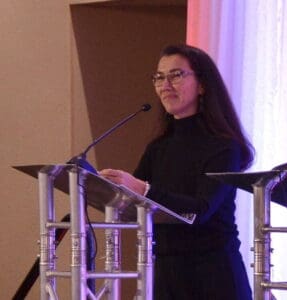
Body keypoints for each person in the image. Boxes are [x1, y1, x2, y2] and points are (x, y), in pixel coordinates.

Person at [99, 44, 253, 299]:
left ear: (202, 85)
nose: (165, 85)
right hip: (166, 274)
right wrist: (107, 188)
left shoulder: (224, 147)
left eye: (176, 75)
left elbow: (201, 210)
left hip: (213, 276)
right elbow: (133, 205)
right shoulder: (159, 147)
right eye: (159, 77)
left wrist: (142, 188)